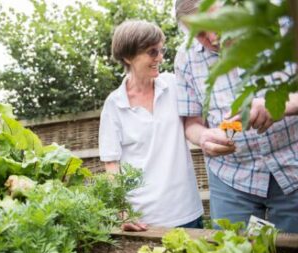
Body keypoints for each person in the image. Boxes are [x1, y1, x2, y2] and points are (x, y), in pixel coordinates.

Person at [175, 0, 298, 233]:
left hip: (292, 165)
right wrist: (203, 137)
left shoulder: (283, 24)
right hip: (231, 177)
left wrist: (280, 104)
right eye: (198, 33)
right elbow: (192, 122)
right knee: (232, 252)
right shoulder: (186, 58)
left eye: (216, 23)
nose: (211, 38)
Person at [99, 20, 204, 231]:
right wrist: (121, 209)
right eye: (152, 52)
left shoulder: (174, 85)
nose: (160, 58)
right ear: (128, 57)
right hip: (144, 220)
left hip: (186, 211)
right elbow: (112, 164)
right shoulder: (114, 105)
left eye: (161, 50)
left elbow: (197, 121)